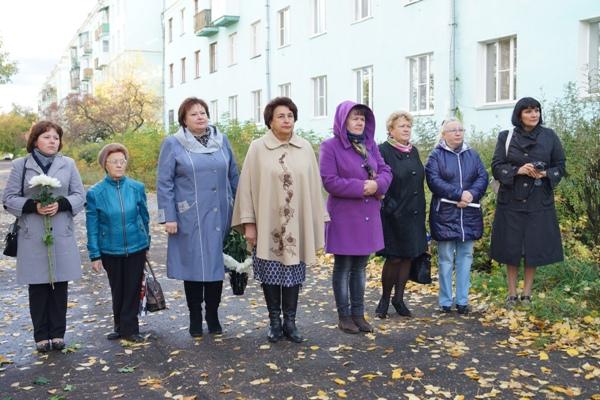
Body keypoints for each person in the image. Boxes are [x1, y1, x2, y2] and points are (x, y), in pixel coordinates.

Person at [232, 97, 327, 343]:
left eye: (290, 116)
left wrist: (316, 220)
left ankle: (290, 322)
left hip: (296, 224)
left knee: (294, 273)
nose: (286, 120)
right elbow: (246, 188)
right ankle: (274, 321)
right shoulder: (258, 148)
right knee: (271, 273)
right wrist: (249, 223)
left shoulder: (305, 147)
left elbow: (313, 186)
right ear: (270, 121)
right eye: (281, 116)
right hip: (267, 223)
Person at [157, 97, 239, 337]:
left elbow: (234, 176)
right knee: (194, 266)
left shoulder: (221, 140)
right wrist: (168, 217)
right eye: (193, 114)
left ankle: (213, 314)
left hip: (221, 214)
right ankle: (195, 316)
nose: (200, 117)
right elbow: (164, 183)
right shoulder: (173, 143)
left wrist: (243, 211)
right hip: (189, 216)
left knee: (216, 264)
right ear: (184, 119)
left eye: (203, 112)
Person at [2, 121, 85, 352]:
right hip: (33, 233)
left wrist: (62, 204)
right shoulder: (21, 165)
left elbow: (80, 195)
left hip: (60, 231)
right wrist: (33, 206)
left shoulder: (68, 164)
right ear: (35, 140)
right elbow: (8, 199)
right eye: (47, 137)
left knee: (60, 283)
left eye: (56, 138)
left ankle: (58, 334)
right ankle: (41, 335)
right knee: (38, 285)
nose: (52, 141)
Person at [320, 101, 392, 334]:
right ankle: (344, 316)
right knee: (343, 266)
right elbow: (329, 181)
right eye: (354, 118)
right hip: (344, 216)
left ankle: (359, 314)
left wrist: (377, 185)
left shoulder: (370, 145)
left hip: (367, 215)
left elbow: (386, 170)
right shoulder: (330, 147)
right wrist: (362, 187)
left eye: (362, 118)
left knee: (360, 266)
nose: (360, 122)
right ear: (343, 121)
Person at [490, 97, 566, 308]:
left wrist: (545, 174)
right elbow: (496, 166)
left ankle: (527, 294)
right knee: (511, 247)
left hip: (538, 200)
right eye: (528, 111)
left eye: (537, 110)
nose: (534, 115)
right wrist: (518, 170)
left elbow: (560, 165)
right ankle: (511, 294)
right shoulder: (506, 136)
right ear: (519, 115)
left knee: (534, 246)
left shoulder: (549, 136)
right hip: (511, 200)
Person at [86, 144, 150, 342]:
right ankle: (120, 326)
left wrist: (146, 243)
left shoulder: (137, 187)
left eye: (122, 161)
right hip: (110, 249)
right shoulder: (95, 192)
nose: (119, 165)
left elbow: (144, 217)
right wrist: (94, 254)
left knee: (132, 288)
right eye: (114, 161)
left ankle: (131, 329)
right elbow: (92, 225)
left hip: (136, 247)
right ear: (105, 164)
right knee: (117, 288)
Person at [425, 118, 488, 315]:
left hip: (469, 213)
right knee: (445, 259)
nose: (458, 133)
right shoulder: (436, 156)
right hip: (445, 214)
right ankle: (445, 301)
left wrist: (471, 195)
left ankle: (462, 301)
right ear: (444, 134)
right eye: (453, 130)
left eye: (461, 129)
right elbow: (434, 181)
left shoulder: (472, 154)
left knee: (466, 257)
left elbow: (482, 177)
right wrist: (458, 194)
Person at [375, 111, 427, 318]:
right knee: (394, 258)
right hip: (393, 214)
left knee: (408, 257)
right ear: (391, 130)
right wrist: (390, 206)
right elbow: (378, 180)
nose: (406, 129)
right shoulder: (383, 151)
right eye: (401, 126)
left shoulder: (413, 151)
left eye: (408, 126)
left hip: (414, 213)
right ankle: (384, 299)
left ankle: (399, 299)